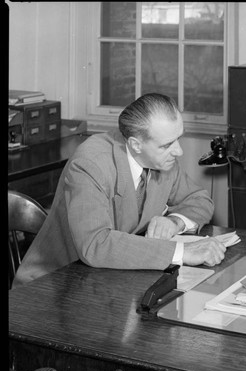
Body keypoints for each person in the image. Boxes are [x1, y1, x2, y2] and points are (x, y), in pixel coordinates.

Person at [13, 93, 226, 287]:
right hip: (52, 286)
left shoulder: (161, 159)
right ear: (135, 145)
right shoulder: (90, 164)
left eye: (178, 138)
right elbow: (95, 244)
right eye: (167, 145)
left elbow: (199, 199)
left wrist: (174, 221)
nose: (178, 151)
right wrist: (182, 252)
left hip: (107, 280)